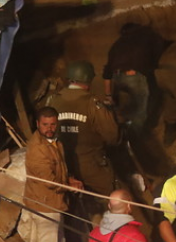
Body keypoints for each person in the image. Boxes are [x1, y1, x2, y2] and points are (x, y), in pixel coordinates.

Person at [22, 107, 83, 242]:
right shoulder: (37, 150)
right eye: (45, 125)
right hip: (44, 206)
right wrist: (69, 185)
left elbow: (59, 172)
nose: (49, 128)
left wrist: (69, 179)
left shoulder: (55, 143)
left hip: (54, 203)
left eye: (53, 124)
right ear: (37, 124)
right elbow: (48, 181)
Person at [46, 61, 120, 196]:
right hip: (90, 165)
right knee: (116, 195)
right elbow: (112, 136)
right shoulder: (93, 104)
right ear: (88, 80)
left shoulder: (52, 101)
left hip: (61, 164)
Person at [102, 23, 164, 133]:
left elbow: (107, 72)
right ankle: (135, 137)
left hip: (117, 77)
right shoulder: (147, 36)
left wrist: (108, 95)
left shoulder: (117, 44)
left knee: (120, 108)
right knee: (139, 111)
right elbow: (159, 57)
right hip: (134, 76)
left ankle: (119, 133)